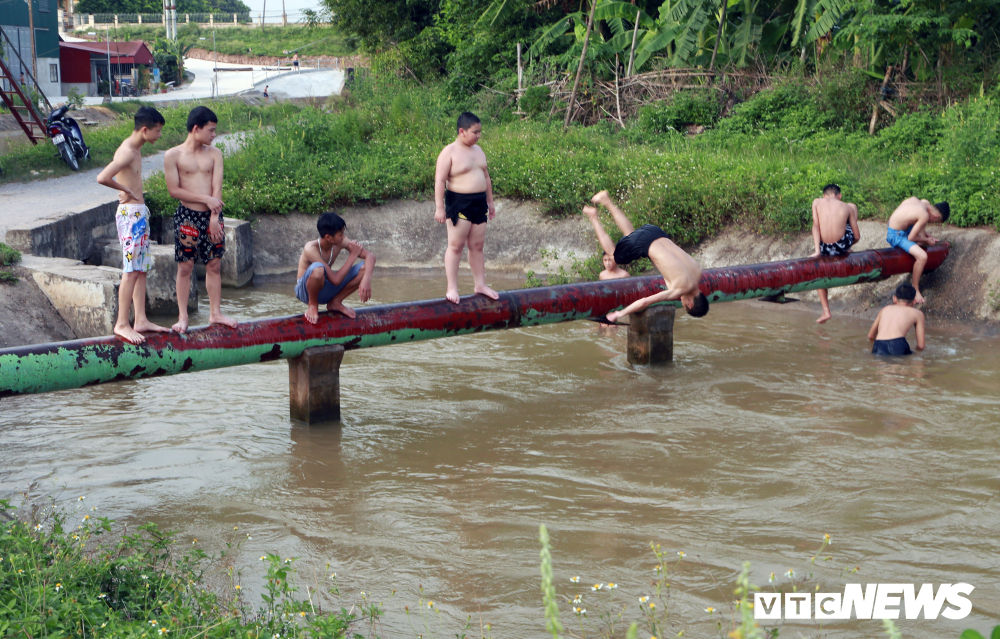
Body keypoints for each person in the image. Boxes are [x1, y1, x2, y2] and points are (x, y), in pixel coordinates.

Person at [95, 106, 171, 344]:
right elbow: (103, 177)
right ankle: (122, 324)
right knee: (130, 271)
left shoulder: (136, 149)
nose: (159, 136)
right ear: (145, 129)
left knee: (140, 269)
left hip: (138, 214)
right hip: (130, 215)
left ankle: (140, 319)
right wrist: (125, 189)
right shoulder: (127, 151)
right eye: (158, 131)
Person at [164, 106, 237, 332]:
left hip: (212, 216)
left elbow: (217, 187)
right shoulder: (173, 155)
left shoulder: (215, 154)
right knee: (185, 266)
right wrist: (204, 198)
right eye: (211, 130)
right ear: (196, 129)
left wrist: (214, 217)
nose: (214, 135)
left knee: (214, 264)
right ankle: (183, 316)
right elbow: (174, 190)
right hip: (187, 216)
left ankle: (215, 313)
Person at [584, 190, 708, 322]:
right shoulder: (679, 288)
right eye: (684, 305)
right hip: (645, 243)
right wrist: (619, 314)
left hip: (656, 232)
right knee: (612, 256)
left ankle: (606, 201)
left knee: (630, 234)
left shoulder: (697, 270)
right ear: (690, 304)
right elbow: (644, 302)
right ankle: (593, 216)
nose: (681, 301)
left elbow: (671, 268)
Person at [434, 111, 498, 303]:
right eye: (475, 132)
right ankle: (452, 287)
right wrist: (439, 207)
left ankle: (480, 284)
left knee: (477, 245)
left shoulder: (479, 150)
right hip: (458, 202)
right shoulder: (449, 152)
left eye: (480, 132)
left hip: (479, 202)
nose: (478, 135)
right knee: (456, 246)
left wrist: (491, 202)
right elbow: (440, 180)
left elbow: (486, 177)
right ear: (462, 131)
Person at [295, 211, 376, 323]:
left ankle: (335, 302)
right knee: (318, 269)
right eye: (340, 234)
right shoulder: (310, 248)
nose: (343, 237)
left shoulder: (340, 241)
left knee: (365, 267)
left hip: (326, 286)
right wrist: (353, 255)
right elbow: (336, 280)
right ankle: (312, 305)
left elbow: (370, 256)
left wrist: (366, 279)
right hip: (306, 292)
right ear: (328, 237)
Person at [808, 183, 860, 323]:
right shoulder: (848, 207)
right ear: (839, 196)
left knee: (819, 276)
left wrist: (818, 250)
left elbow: (816, 226)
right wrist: (846, 246)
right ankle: (845, 248)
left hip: (824, 247)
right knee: (853, 207)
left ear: (824, 196)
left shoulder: (817, 202)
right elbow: (857, 236)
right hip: (841, 245)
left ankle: (826, 311)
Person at [886, 197, 949, 304]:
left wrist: (925, 235)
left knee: (922, 240)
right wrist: (926, 240)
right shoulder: (924, 215)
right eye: (935, 222)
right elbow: (911, 238)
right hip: (896, 235)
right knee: (922, 256)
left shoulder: (924, 203)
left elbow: (915, 221)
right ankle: (915, 288)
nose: (933, 223)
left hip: (900, 227)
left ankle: (922, 239)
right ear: (935, 216)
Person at [868, 283, 925, 356]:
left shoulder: (885, 309)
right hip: (898, 344)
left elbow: (871, 336)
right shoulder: (918, 314)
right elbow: (921, 346)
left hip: (878, 345)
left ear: (894, 299)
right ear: (914, 301)